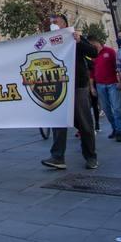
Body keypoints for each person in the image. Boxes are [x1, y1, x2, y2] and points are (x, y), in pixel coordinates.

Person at [42, 15, 98, 170]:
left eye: (56, 22)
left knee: (84, 124)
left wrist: (79, 42)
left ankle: (91, 157)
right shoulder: (49, 41)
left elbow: (94, 52)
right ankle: (57, 157)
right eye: (51, 22)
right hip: (59, 87)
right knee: (58, 123)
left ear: (64, 24)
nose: (52, 24)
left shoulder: (74, 37)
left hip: (78, 86)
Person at [89, 36, 121, 141]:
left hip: (112, 84)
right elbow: (92, 73)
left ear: (96, 41)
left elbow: (118, 67)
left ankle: (119, 131)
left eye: (91, 44)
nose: (91, 46)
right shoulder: (93, 55)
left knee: (116, 108)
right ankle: (114, 128)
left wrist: (120, 81)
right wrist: (92, 88)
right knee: (106, 109)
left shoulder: (110, 51)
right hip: (100, 85)